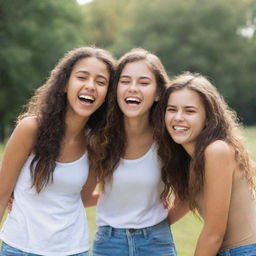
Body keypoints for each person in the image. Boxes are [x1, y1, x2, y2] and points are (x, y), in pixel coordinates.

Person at [0, 46, 115, 256]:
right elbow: (2, 193)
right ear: (64, 84)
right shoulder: (31, 129)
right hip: (20, 249)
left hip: (73, 250)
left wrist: (137, 198)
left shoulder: (96, 143)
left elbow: (82, 198)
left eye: (101, 82)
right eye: (82, 77)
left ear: (107, 94)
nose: (91, 86)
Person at [87, 48, 177, 256]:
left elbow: (190, 194)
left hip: (156, 242)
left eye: (144, 83)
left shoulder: (169, 138)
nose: (133, 88)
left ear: (158, 93)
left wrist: (155, 223)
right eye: (125, 81)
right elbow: (82, 195)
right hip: (109, 244)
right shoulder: (98, 137)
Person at [156, 72, 256, 256]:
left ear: (208, 117)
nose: (178, 117)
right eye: (172, 109)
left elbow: (214, 233)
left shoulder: (217, 150)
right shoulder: (191, 158)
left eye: (189, 111)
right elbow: (181, 204)